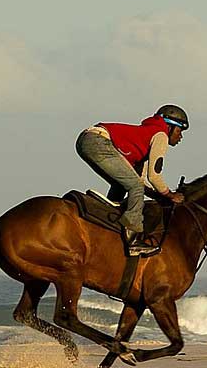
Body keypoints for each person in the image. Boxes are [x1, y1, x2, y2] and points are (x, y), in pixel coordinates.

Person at [76, 104, 189, 256]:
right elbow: (154, 177)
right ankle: (133, 239)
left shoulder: (147, 135)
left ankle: (108, 218)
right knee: (133, 186)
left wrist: (158, 196)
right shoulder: (161, 135)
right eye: (180, 131)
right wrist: (169, 195)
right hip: (97, 141)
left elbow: (140, 180)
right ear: (170, 127)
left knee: (125, 184)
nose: (180, 137)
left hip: (88, 139)